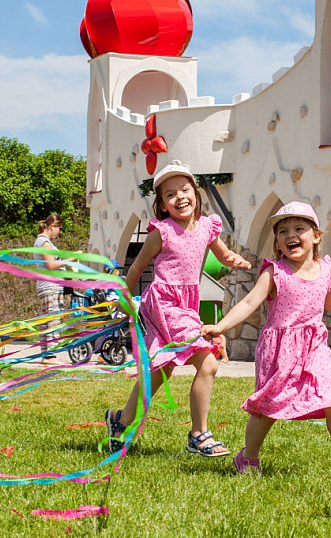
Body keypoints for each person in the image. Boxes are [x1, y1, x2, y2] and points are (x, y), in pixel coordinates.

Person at [202, 201, 331, 476]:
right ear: (277, 241)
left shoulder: (326, 270)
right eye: (282, 231)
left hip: (314, 346)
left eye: (299, 228)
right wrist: (221, 326)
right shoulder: (275, 272)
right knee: (267, 407)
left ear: (317, 235)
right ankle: (247, 458)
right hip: (279, 350)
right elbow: (249, 303)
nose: (290, 235)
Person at [105, 161, 251, 457]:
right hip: (164, 304)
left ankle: (120, 421)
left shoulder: (208, 226)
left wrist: (233, 259)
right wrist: (123, 299)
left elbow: (221, 255)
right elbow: (136, 269)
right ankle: (199, 434)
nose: (180, 197)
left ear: (196, 194)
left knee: (161, 372)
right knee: (208, 363)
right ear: (161, 204)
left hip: (187, 304)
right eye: (170, 194)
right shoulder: (162, 232)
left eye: (185, 190)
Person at [34, 214, 71, 361]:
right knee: (53, 319)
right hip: (50, 285)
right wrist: (70, 260)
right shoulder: (44, 242)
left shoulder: (42, 242)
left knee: (47, 319)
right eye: (59, 228)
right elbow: (50, 265)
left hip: (47, 285)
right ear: (52, 227)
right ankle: (50, 355)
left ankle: (46, 354)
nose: (59, 232)